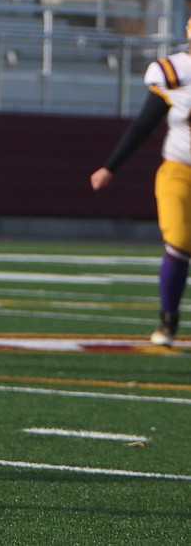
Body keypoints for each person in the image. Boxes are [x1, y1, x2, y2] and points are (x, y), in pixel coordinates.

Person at [90, 20, 191, 347]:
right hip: (180, 168)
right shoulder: (177, 71)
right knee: (179, 237)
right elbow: (144, 123)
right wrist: (111, 167)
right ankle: (168, 318)